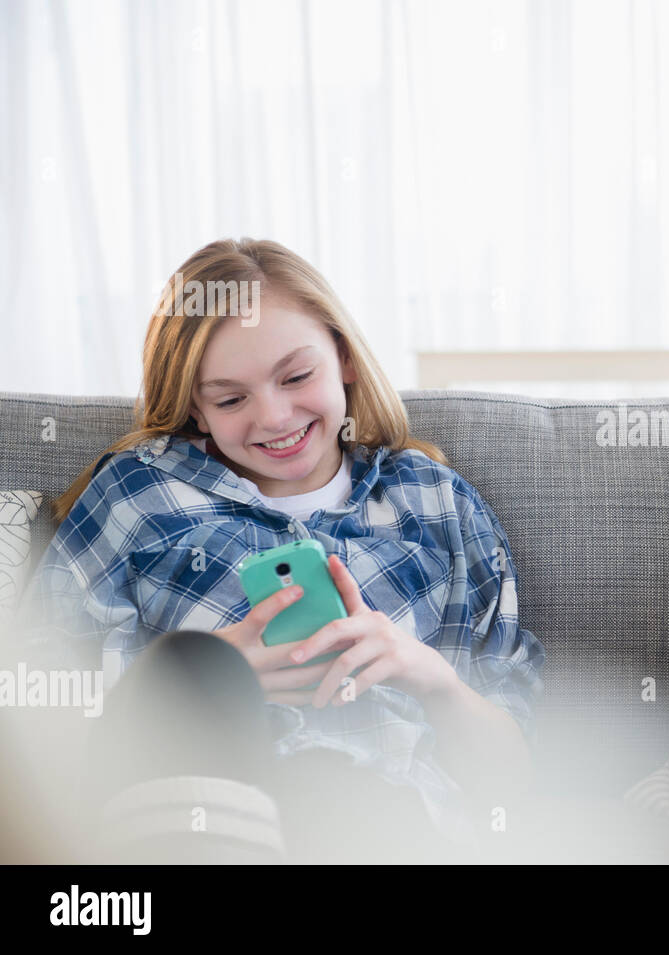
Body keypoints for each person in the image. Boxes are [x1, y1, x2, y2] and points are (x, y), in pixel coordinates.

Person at [13, 238, 544, 863]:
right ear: (195, 406)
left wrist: (430, 677)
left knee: (342, 796)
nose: (273, 416)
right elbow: (33, 729)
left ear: (343, 358)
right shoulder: (138, 493)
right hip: (195, 818)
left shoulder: (434, 502)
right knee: (192, 672)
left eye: (297, 376)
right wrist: (203, 682)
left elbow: (517, 780)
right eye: (231, 398)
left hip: (385, 823)